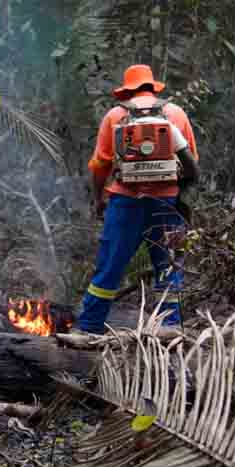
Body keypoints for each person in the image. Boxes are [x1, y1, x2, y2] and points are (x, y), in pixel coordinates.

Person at [73, 64, 200, 335]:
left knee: (109, 267)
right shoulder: (176, 113)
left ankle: (89, 328)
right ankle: (168, 331)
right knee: (167, 269)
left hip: (125, 202)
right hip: (167, 202)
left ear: (127, 90)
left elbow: (99, 165)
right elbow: (193, 162)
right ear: (152, 86)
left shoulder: (115, 115)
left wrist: (99, 199)